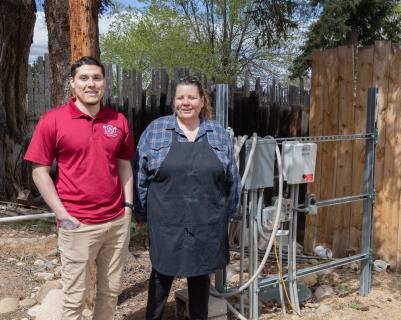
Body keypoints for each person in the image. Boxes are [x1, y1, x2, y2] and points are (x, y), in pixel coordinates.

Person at [24, 56, 134, 320]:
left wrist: (128, 207)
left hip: (116, 223)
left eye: (97, 78)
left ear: (105, 83)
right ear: (72, 83)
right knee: (73, 299)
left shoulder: (117, 120)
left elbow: (125, 165)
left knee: (110, 294)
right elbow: (39, 172)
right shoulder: (53, 120)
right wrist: (62, 214)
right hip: (77, 224)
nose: (91, 84)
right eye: (84, 78)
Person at [134, 76, 240, 320]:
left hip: (207, 219)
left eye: (192, 97)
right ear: (174, 102)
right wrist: (141, 214)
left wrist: (230, 212)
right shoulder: (156, 130)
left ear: (202, 101)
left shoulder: (219, 134)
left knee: (200, 275)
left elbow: (232, 179)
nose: (186, 102)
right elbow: (141, 176)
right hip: (166, 220)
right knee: (162, 274)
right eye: (180, 97)